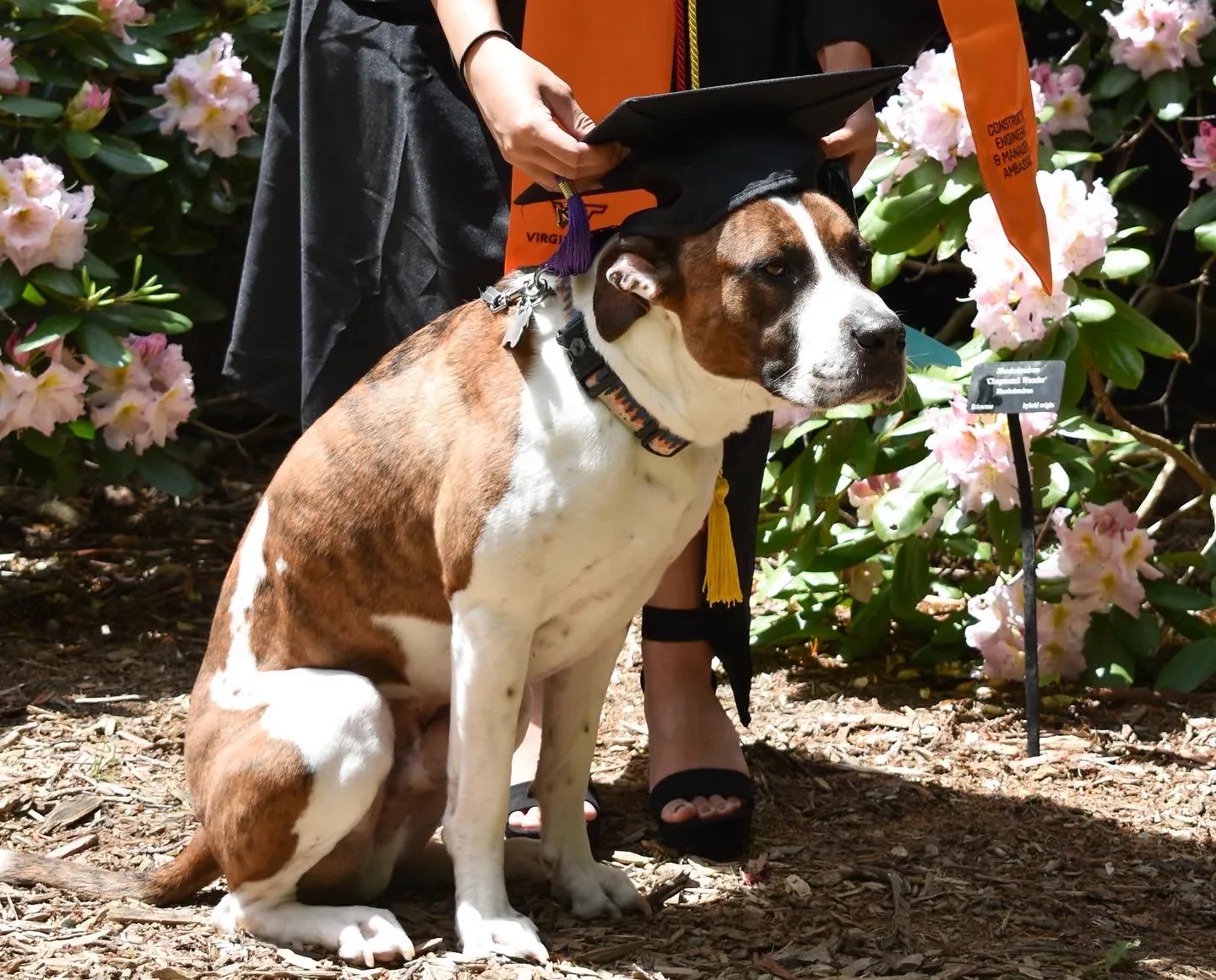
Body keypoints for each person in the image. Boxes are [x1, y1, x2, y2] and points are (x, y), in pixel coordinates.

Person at [225, 0, 944, 860]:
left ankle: (680, 679)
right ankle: (497, 709)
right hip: (467, 27)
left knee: (714, 338)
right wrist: (483, 46)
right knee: (477, 325)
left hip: (713, 25)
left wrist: (842, 48)